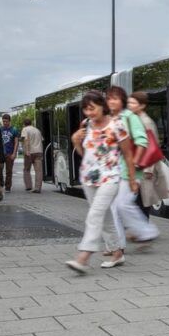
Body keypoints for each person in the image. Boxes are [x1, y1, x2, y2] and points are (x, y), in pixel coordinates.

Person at [66, 90, 137, 274]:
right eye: (86, 109)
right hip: (88, 177)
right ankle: (117, 252)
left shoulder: (117, 125)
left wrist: (131, 179)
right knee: (104, 217)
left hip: (110, 177)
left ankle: (83, 256)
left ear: (102, 106)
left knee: (95, 215)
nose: (89, 113)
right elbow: (86, 154)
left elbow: (128, 154)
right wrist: (75, 142)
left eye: (92, 108)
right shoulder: (86, 125)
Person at [105, 87, 156, 254]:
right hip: (112, 171)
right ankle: (117, 246)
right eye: (109, 98)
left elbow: (142, 141)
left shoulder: (130, 117)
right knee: (114, 208)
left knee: (122, 205)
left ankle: (147, 231)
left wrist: (134, 161)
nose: (111, 102)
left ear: (122, 101)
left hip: (129, 172)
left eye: (115, 98)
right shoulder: (109, 119)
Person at [0, 113, 20, 192]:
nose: (5, 123)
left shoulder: (14, 130)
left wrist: (14, 153)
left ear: (9, 121)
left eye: (6, 121)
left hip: (10, 153)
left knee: (9, 171)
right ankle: (1, 183)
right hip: (1, 153)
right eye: (3, 121)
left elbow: (16, 142)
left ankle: (8, 187)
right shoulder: (0, 129)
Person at [20, 118, 44, 193]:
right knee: (38, 171)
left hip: (30, 152)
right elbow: (42, 140)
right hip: (39, 151)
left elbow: (26, 140)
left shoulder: (25, 129)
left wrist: (27, 150)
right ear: (31, 123)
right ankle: (37, 188)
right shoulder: (37, 130)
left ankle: (28, 186)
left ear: (24, 124)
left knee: (26, 169)